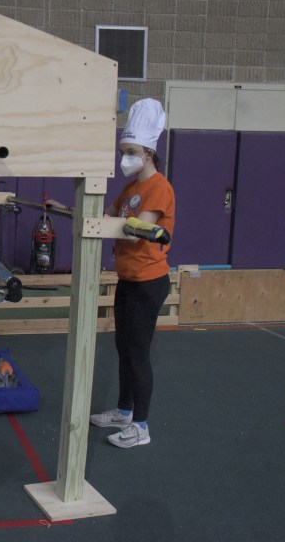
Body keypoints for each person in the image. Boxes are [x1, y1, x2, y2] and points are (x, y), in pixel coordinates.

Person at [89, 98, 175, 448]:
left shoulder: (159, 188)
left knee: (138, 354)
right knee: (123, 347)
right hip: (127, 279)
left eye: (131, 152)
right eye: (123, 152)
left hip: (148, 282)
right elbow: (107, 219)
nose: (125, 158)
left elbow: (139, 229)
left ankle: (141, 427)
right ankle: (124, 411)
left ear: (148, 153)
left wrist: (107, 225)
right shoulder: (130, 188)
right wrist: (73, 213)